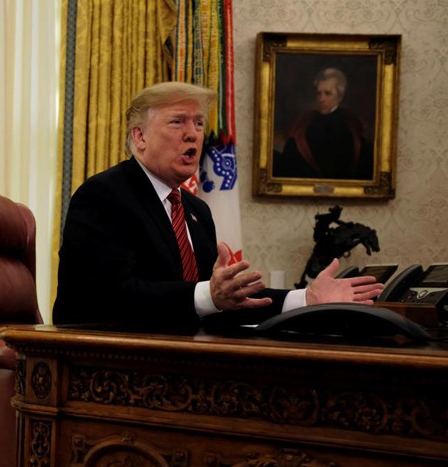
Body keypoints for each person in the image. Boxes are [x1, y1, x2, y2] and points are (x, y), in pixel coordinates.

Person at [53, 82, 383, 331]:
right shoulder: (103, 196)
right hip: (105, 367)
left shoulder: (196, 210)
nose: (193, 135)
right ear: (139, 137)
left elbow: (223, 300)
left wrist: (305, 300)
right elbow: (109, 300)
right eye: (177, 122)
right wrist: (210, 297)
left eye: (198, 124)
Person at [273, 68, 373, 179]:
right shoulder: (306, 121)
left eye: (327, 94)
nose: (321, 99)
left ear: (340, 97)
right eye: (319, 93)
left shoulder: (351, 124)